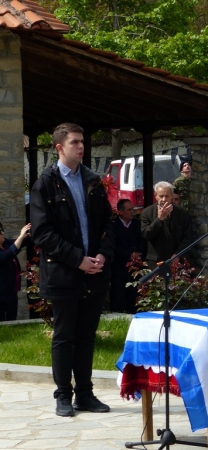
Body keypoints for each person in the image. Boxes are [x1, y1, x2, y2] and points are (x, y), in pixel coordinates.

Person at [30, 122, 114, 417]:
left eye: (82, 142)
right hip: (64, 274)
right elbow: (42, 234)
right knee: (65, 336)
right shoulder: (45, 184)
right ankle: (63, 395)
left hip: (94, 273)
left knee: (87, 336)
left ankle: (85, 394)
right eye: (74, 142)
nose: (81, 147)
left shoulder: (92, 181)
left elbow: (108, 223)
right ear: (59, 148)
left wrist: (102, 254)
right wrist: (78, 259)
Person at [140, 181, 192, 269]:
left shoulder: (182, 213)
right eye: (161, 196)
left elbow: (188, 237)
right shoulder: (147, 213)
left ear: (172, 196)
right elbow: (146, 235)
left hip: (177, 261)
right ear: (155, 196)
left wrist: (178, 254)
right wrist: (159, 219)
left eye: (167, 196)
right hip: (156, 262)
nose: (164, 199)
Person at [109, 199, 146, 313]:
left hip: (135, 267)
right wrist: (129, 254)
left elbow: (143, 242)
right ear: (120, 211)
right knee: (118, 294)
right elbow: (113, 246)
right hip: (119, 267)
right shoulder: (113, 225)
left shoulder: (137, 224)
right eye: (129, 210)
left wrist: (138, 254)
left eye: (133, 209)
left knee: (133, 294)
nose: (132, 212)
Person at [0, 222, 31, 321]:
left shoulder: (5, 244)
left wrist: (30, 232)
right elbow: (6, 256)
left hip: (11, 291)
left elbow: (19, 243)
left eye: (2, 230)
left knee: (12, 320)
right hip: (1, 294)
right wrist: (21, 237)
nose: (2, 233)